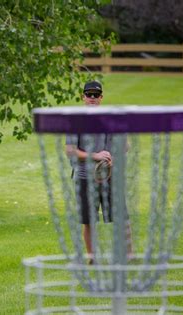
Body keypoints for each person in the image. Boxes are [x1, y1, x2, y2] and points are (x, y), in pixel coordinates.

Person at [66, 81, 132, 264]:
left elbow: (125, 146)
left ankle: (129, 256)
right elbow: (70, 150)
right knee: (89, 221)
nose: (92, 98)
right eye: (89, 94)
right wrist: (95, 156)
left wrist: (114, 157)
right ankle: (93, 259)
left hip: (109, 175)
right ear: (83, 97)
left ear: (101, 97)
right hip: (84, 176)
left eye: (96, 95)